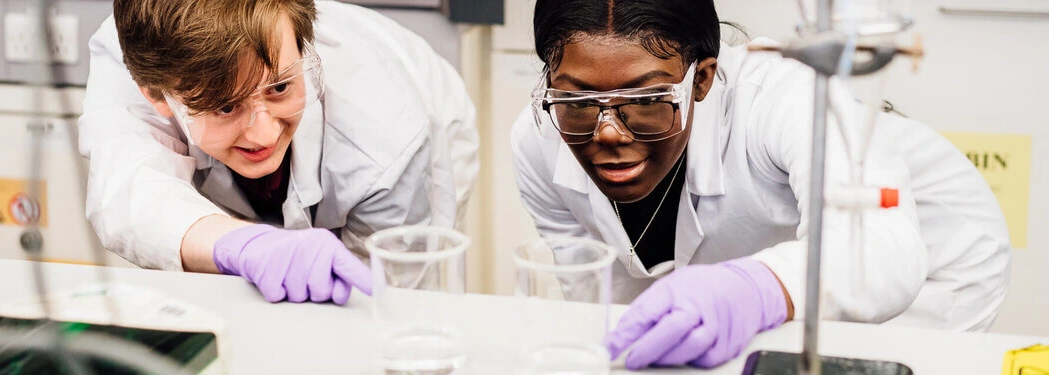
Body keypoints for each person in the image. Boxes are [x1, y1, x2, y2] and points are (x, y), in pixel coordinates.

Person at [512, 0, 1010, 369]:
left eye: (647, 99)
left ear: (702, 79)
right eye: (577, 101)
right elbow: (601, 294)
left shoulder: (781, 98)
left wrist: (755, 287)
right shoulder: (538, 140)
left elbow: (877, 248)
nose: (609, 133)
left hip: (936, 256)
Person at [79, 0, 478, 305]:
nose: (263, 134)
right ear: (156, 94)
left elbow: (380, 300)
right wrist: (238, 244)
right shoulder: (141, 54)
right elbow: (127, 186)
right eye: (225, 106)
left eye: (280, 88)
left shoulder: (390, 134)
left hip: (415, 133)